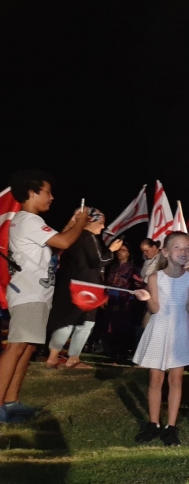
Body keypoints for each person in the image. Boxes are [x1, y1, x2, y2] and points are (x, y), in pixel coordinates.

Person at [0, 170, 89, 423]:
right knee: (16, 347)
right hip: (28, 292)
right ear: (31, 192)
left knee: (26, 348)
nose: (52, 197)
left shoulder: (29, 222)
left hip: (36, 293)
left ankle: (12, 402)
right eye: (47, 191)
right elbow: (63, 243)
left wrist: (71, 225)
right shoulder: (28, 219)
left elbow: (53, 248)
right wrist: (80, 223)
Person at [132, 231, 189, 446]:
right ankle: (153, 423)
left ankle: (171, 427)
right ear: (165, 251)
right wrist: (146, 298)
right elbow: (155, 308)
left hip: (180, 328)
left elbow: (188, 307)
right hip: (160, 327)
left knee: (176, 380)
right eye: (177, 247)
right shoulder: (155, 277)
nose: (183, 252)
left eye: (187, 248)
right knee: (155, 379)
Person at [45, 208, 123, 369]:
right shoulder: (87, 236)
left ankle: (68, 357)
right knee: (74, 321)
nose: (102, 228)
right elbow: (99, 260)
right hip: (83, 287)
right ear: (89, 222)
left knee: (82, 322)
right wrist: (112, 250)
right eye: (101, 223)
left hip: (81, 285)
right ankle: (57, 357)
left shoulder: (74, 236)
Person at [105, 241, 142, 363]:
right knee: (111, 327)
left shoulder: (133, 268)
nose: (121, 253)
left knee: (122, 328)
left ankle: (122, 354)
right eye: (119, 250)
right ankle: (112, 354)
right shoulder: (113, 267)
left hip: (124, 300)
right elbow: (108, 283)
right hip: (111, 298)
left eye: (124, 250)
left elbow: (136, 284)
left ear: (128, 253)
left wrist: (128, 300)